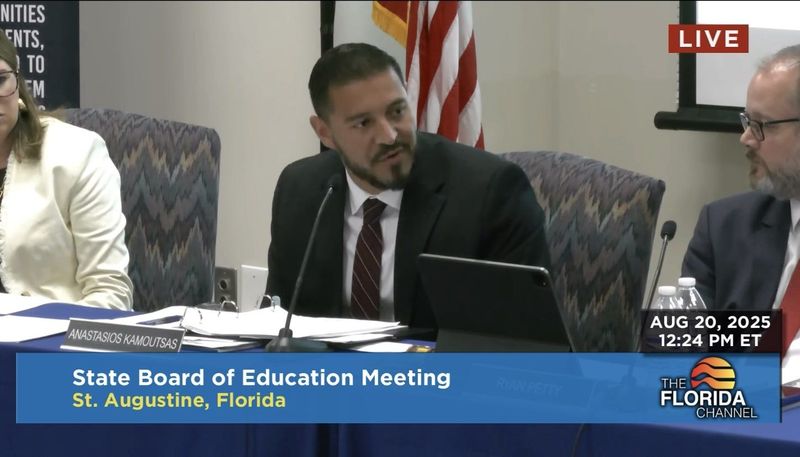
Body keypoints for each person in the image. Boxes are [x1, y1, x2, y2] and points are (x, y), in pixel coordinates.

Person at [266, 42, 550, 329]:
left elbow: (524, 343)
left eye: (397, 111)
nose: (389, 136)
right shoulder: (299, 190)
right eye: (363, 123)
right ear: (325, 133)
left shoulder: (489, 193)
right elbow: (279, 324)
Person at [681, 44, 800, 381]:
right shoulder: (723, 228)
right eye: (748, 121)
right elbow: (683, 353)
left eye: (763, 125)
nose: (746, 139)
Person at [0, 31, 132, 310]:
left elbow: (111, 295)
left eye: (1, 80)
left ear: (18, 82)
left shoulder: (77, 153)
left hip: (44, 342)